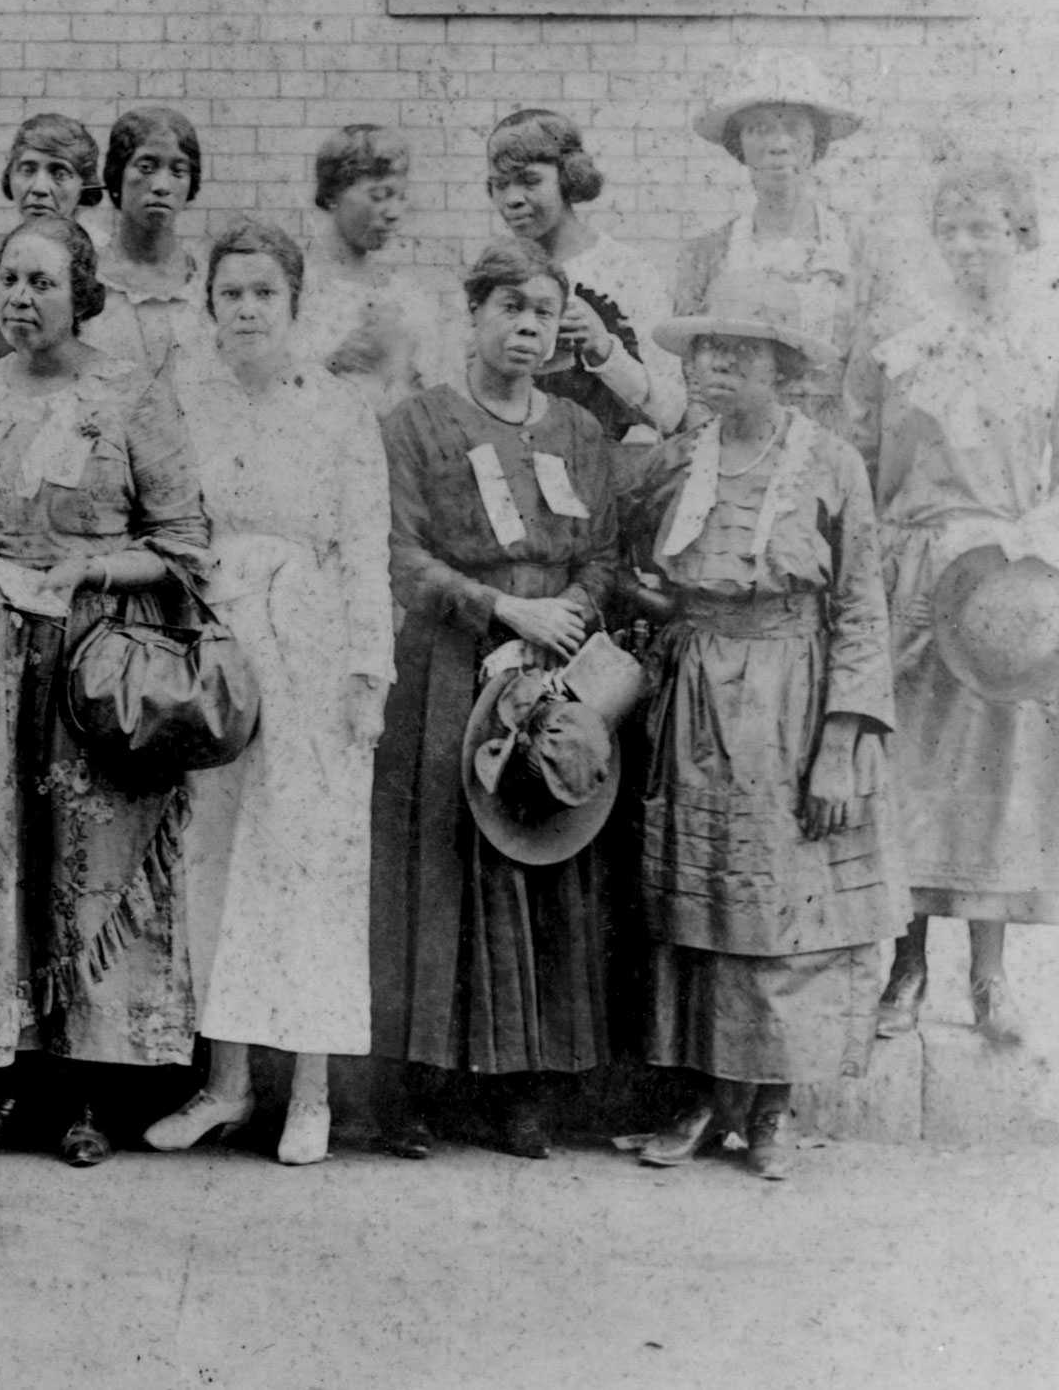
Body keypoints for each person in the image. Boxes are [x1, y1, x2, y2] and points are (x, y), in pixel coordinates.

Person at [0, 214, 211, 1167]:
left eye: (41, 282)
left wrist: (88, 569)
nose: (22, 300)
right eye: (8, 284)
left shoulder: (131, 397)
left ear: (84, 293)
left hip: (91, 662)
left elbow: (187, 546)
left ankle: (86, 1095)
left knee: (82, 862)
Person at [628, 272, 899, 1181]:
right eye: (706, 349)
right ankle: (700, 1097)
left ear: (780, 366)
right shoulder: (677, 460)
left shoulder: (831, 463)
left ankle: (775, 1110)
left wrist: (840, 742)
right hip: (694, 698)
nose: (715, 365)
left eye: (738, 350)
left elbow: (862, 606)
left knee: (784, 909)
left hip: (792, 700)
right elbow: (638, 567)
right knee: (699, 901)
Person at [144, 219, 390, 1167]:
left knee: (310, 867)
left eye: (264, 295)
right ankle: (226, 1083)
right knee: (210, 860)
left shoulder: (336, 409)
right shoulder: (183, 401)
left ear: (294, 303)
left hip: (310, 651)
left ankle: (311, 1093)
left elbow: (365, 549)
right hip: (209, 649)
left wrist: (368, 675)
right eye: (231, 294)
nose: (247, 310)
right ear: (209, 305)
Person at [370, 237, 619, 1161]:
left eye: (543, 313)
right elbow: (401, 552)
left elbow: (602, 556)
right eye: (508, 307)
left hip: (554, 663)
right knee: (438, 868)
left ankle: (525, 1091)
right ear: (472, 316)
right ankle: (419, 1087)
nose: (525, 326)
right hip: (448, 663)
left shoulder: (579, 434)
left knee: (538, 856)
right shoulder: (417, 424)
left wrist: (566, 614)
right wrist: (498, 606)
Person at [851, 157, 1059, 1046]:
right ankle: (906, 967)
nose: (972, 244)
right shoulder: (906, 344)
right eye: (956, 228)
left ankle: (989, 978)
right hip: (916, 570)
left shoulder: (1045, 345)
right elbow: (864, 463)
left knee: (997, 778)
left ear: (1021, 236)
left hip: (1004, 584)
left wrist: (1035, 544)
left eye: (990, 226)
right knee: (911, 776)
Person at [675, 59, 879, 438]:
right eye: (760, 129)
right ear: (740, 145)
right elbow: (693, 376)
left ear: (816, 141)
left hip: (833, 436)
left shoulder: (856, 249)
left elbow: (870, 373)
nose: (778, 144)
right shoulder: (707, 253)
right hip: (735, 437)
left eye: (793, 129)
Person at [486, 108, 685, 445]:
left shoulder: (628, 271)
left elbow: (671, 411)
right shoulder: (493, 275)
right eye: (500, 185)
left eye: (530, 181)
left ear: (567, 178)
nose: (513, 199)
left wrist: (603, 347)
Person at [298, 123, 459, 414]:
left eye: (400, 197)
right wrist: (333, 362)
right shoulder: (297, 287)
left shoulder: (406, 294)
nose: (394, 213)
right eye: (379, 196)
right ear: (333, 194)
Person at [82, 106, 208, 382]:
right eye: (147, 167)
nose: (162, 185)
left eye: (178, 170)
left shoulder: (203, 281)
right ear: (118, 175)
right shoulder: (86, 277)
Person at [0, 113, 107, 361]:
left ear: (85, 185)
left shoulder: (108, 273)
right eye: (27, 170)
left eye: (59, 173)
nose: (39, 188)